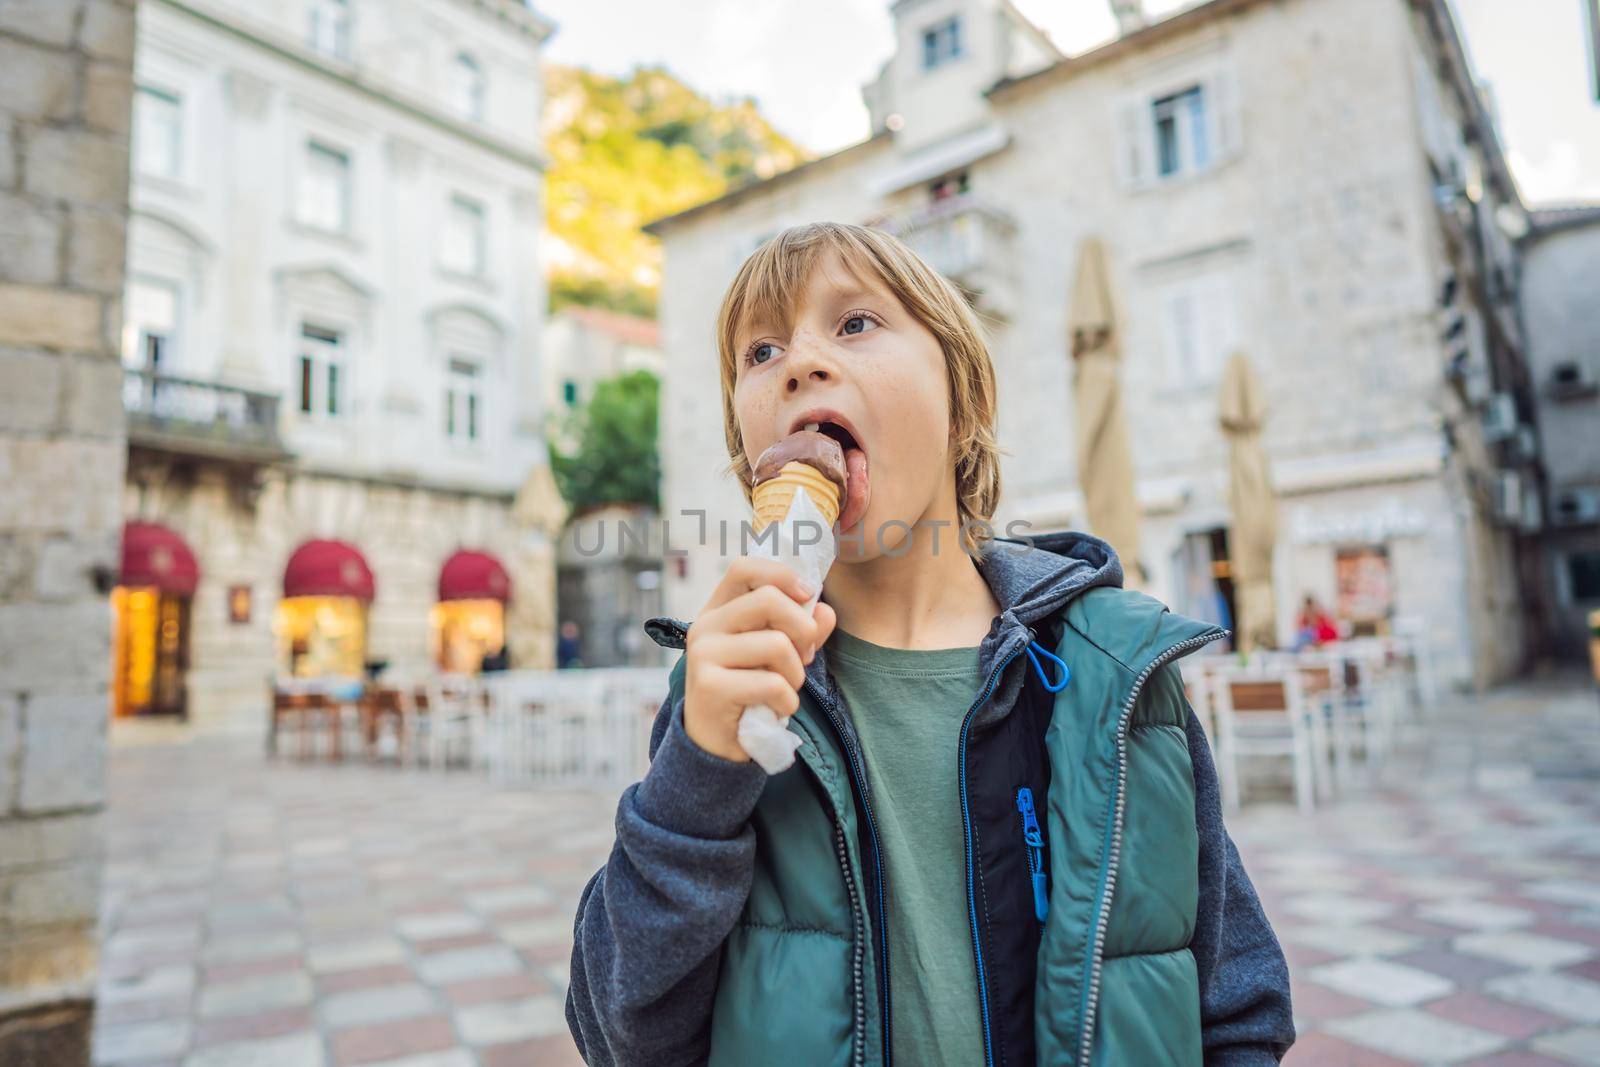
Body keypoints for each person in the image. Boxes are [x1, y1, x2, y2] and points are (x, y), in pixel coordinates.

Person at [567, 223, 1295, 1065]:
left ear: (964, 400)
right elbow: (620, 1034)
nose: (800, 361)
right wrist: (696, 774)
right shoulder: (728, 687)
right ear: (751, 450)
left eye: (854, 324)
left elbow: (1239, 1005)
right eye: (760, 350)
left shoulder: (1116, 670)